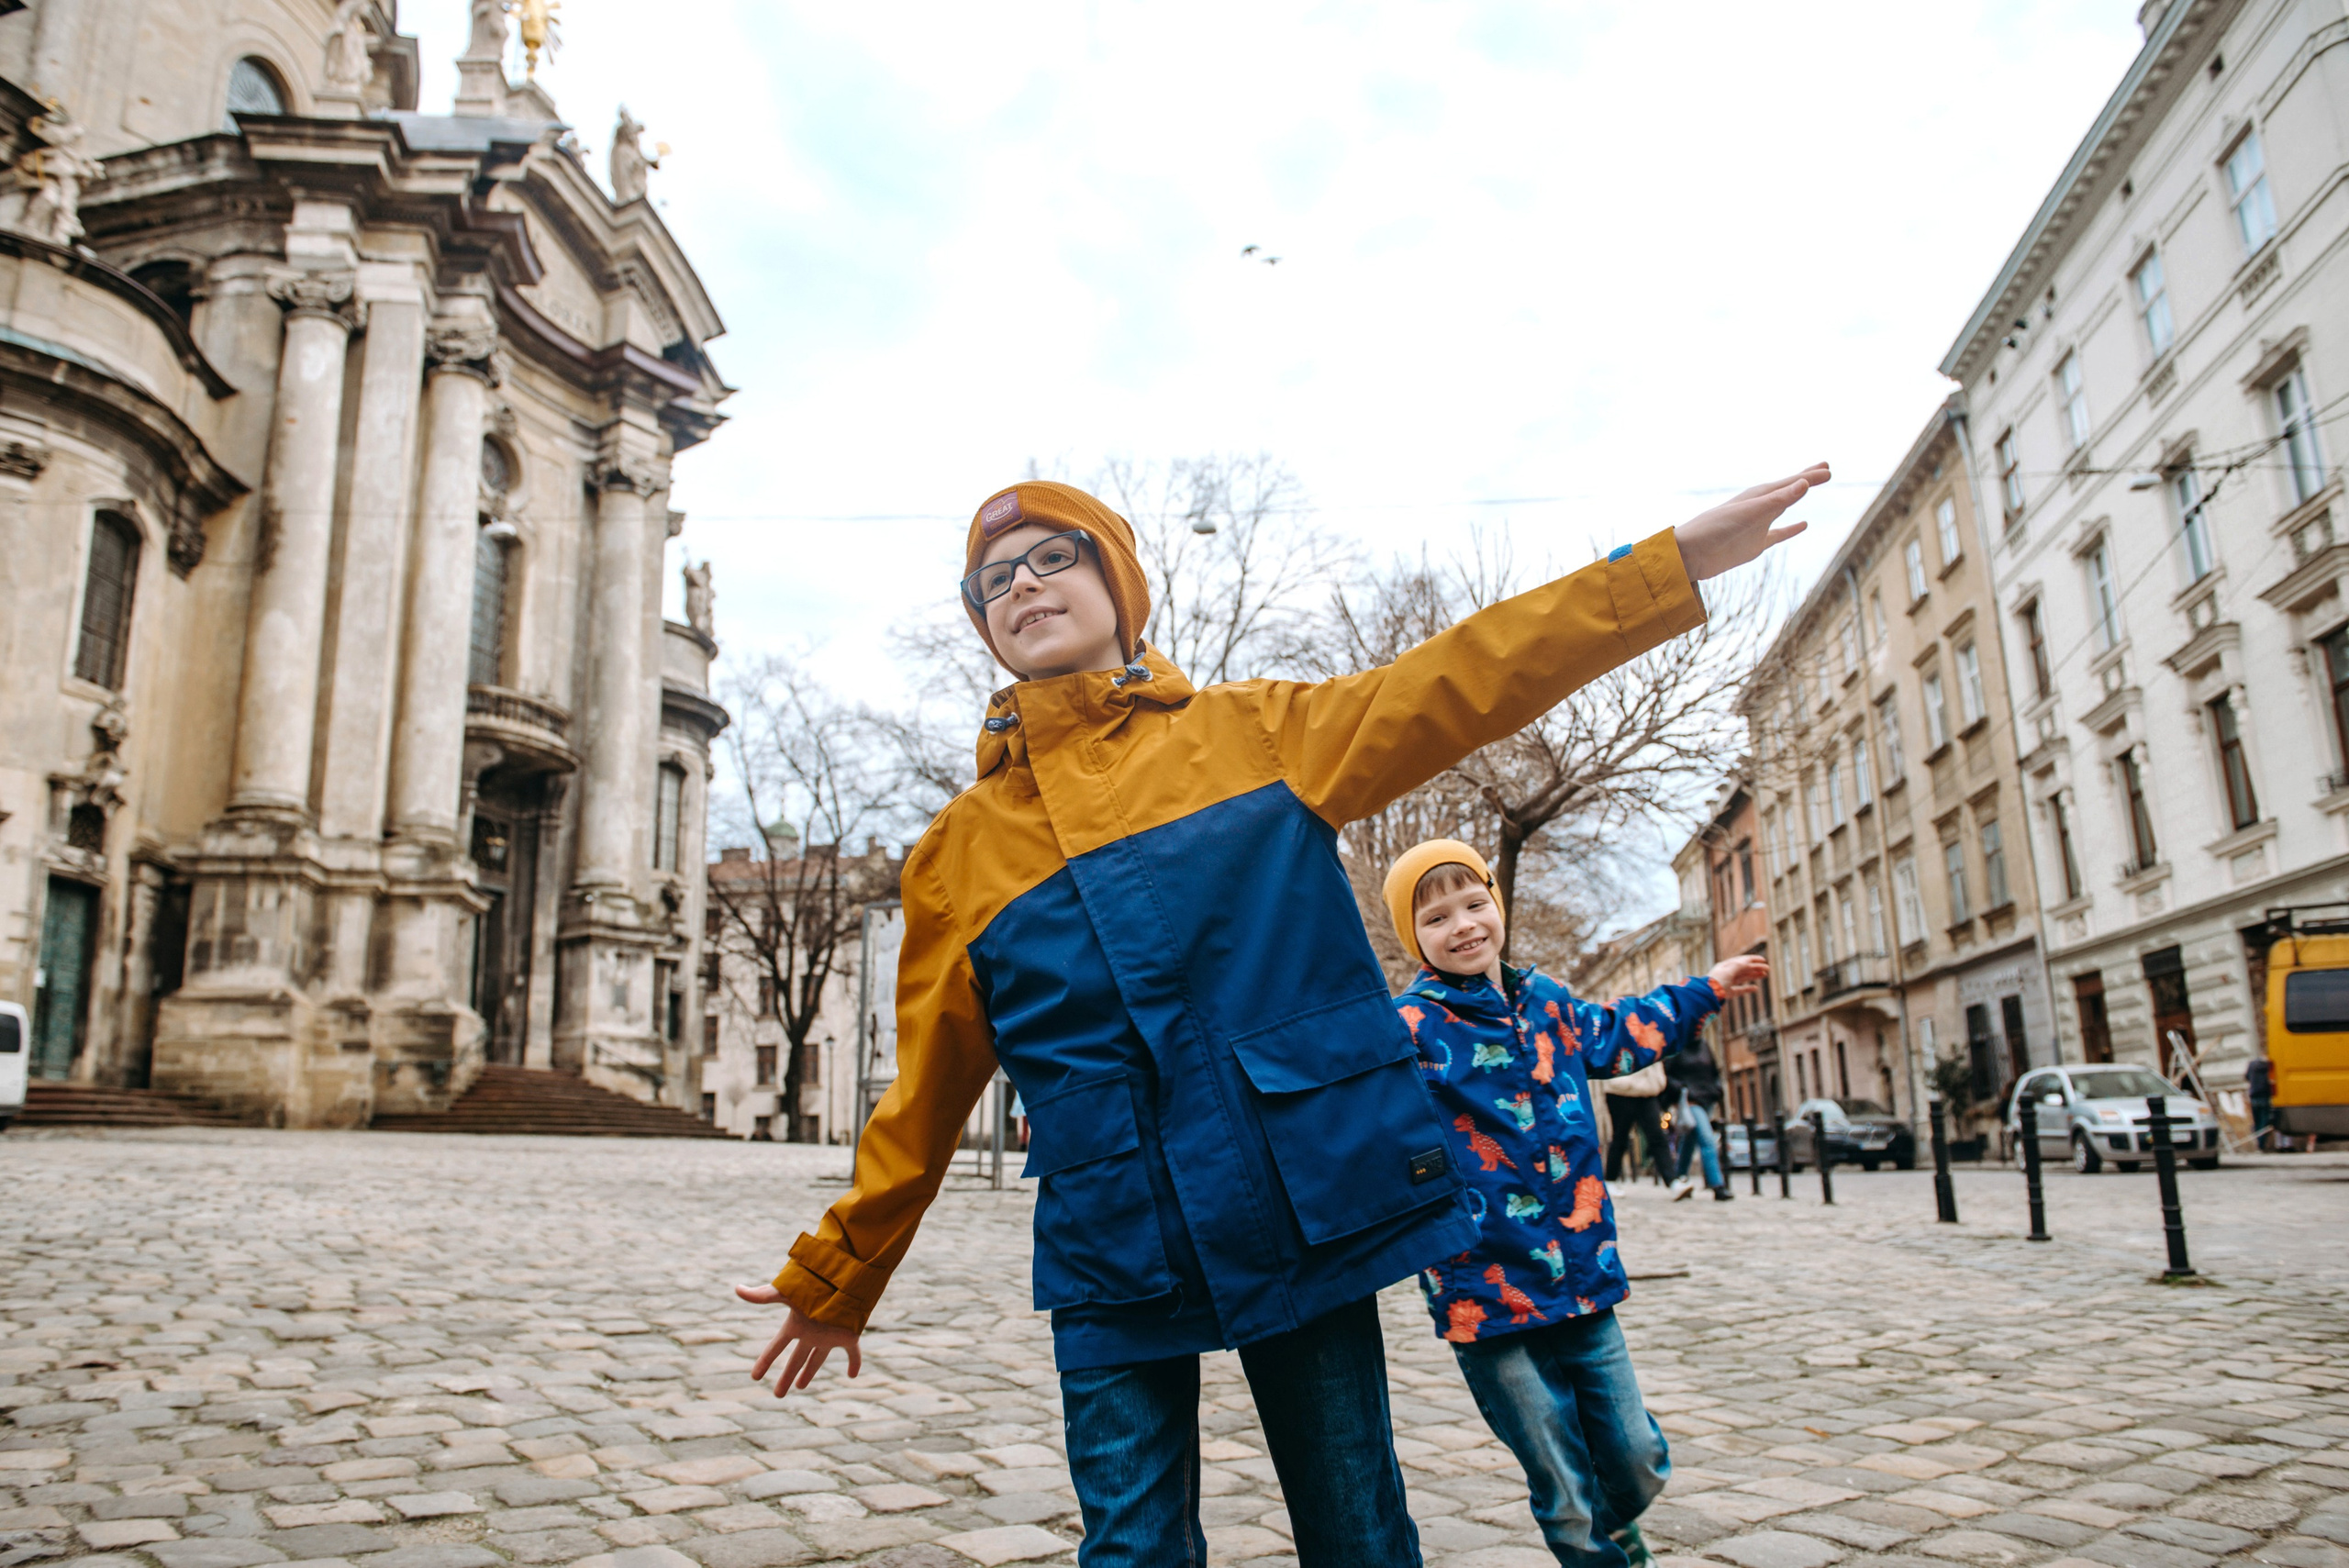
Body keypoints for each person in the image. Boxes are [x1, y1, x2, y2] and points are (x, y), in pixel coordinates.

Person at [737, 467, 1823, 1565]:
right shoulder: (953, 856)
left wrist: (1667, 566)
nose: (1021, 585)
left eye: (1053, 556)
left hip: (1304, 1199)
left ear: (1117, 579)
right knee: (1128, 1543)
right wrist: (842, 1276)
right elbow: (923, 1095)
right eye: (992, 581)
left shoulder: (1258, 734)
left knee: (1354, 1524)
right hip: (1112, 1234)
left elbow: (1468, 672)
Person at [1383, 840, 1765, 1568]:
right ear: (1415, 938)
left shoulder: (1550, 1002)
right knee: (1562, 1481)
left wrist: (1707, 987)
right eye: (1436, 917)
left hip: (1584, 1277)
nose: (1463, 925)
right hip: (1486, 1293)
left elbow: (1625, 1034)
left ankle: (1615, 1518)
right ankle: (1602, 1550)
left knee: (1637, 1453)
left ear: (1497, 905)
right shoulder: (1407, 1028)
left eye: (1474, 904)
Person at [1666, 1031, 1731, 1200]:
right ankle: (1717, 1185)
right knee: (1707, 1139)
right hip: (1690, 1102)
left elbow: (1714, 1071)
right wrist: (1682, 1091)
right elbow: (1668, 1075)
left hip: (1707, 1099)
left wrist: (1717, 1090)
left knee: (1690, 1140)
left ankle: (1680, 1177)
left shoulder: (1704, 1046)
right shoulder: (1676, 1047)